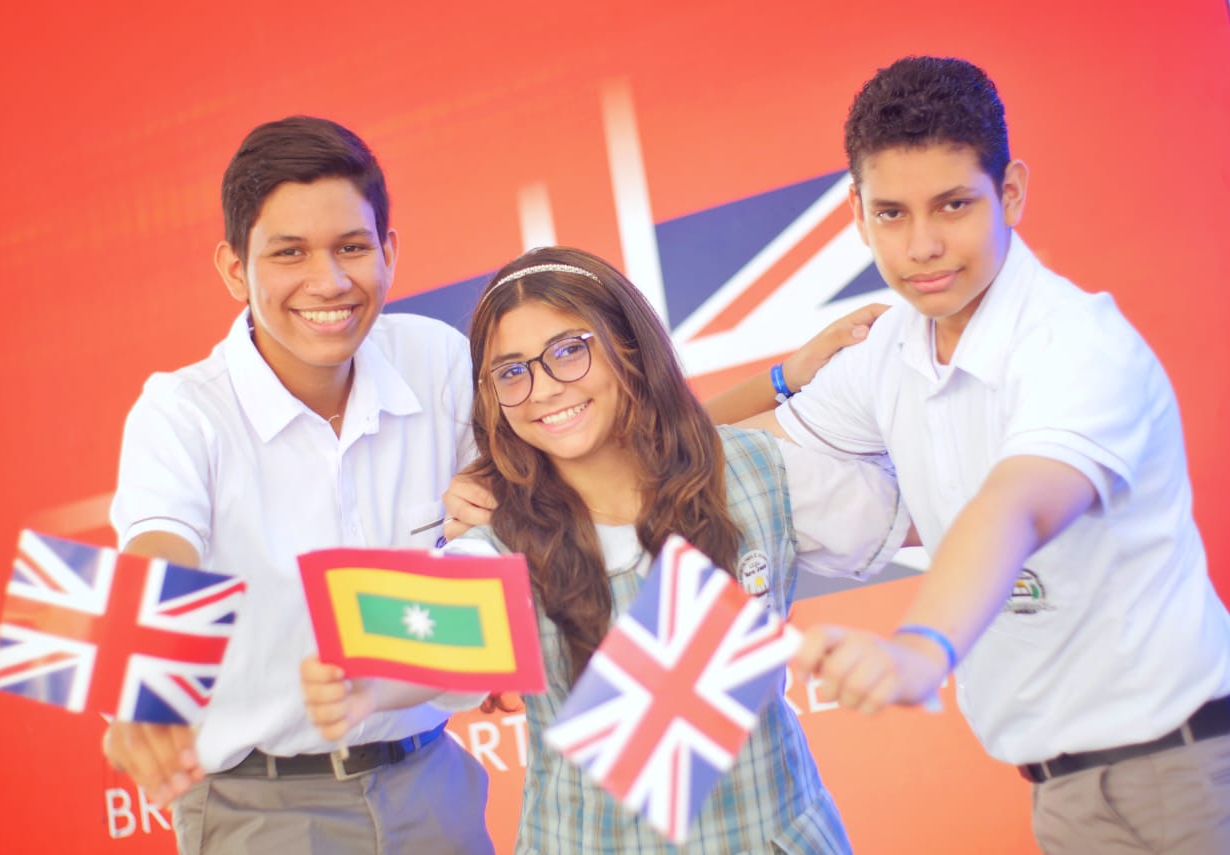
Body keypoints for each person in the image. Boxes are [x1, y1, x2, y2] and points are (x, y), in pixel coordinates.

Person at [740, 56, 1230, 853]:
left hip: (1189, 769)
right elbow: (739, 457)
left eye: (954, 205)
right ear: (857, 216)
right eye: (892, 214)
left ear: (1011, 194)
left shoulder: (1076, 340)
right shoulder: (888, 348)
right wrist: (525, 481)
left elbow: (1015, 505)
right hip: (1061, 790)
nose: (924, 245)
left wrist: (918, 648)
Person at [304, 246, 912, 854]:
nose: (542, 388)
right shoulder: (497, 547)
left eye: (569, 351)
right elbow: (429, 642)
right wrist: (368, 688)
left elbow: (922, 515)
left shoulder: (753, 470)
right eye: (512, 372)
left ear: (629, 346)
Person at [102, 115, 492, 854]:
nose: (330, 282)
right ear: (233, 269)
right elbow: (159, 544)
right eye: (290, 253)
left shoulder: (440, 360)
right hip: (262, 808)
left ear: (390, 252)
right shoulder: (181, 410)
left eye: (352, 246)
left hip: (432, 782)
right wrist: (147, 680)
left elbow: (520, 529)